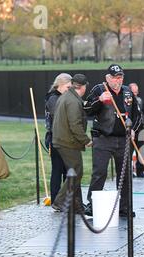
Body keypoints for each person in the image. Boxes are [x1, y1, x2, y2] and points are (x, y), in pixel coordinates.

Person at [84, 64, 139, 217]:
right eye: (115, 77)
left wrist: (133, 128)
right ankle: (92, 205)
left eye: (120, 77)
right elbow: (87, 110)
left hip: (124, 140)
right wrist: (99, 101)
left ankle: (125, 207)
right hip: (103, 138)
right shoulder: (99, 89)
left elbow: (137, 115)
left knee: (125, 174)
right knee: (99, 172)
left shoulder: (128, 91)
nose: (118, 80)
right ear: (107, 78)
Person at [51, 74, 91, 214]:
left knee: (74, 172)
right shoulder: (73, 100)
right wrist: (86, 140)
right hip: (67, 142)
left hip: (62, 140)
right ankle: (59, 202)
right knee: (76, 172)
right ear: (83, 86)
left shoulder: (67, 96)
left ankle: (75, 204)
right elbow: (75, 125)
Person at [44, 73, 72, 204]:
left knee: (68, 171)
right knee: (57, 170)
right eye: (68, 87)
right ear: (60, 85)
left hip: (67, 139)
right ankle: (56, 200)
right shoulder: (53, 98)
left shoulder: (65, 97)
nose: (70, 90)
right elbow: (60, 115)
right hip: (56, 138)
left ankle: (67, 199)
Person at [128, 82, 144, 178]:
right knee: (129, 151)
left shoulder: (141, 101)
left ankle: (140, 171)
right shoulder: (126, 102)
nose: (135, 94)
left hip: (141, 129)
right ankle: (129, 172)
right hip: (130, 130)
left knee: (141, 151)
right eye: (133, 92)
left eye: (136, 92)